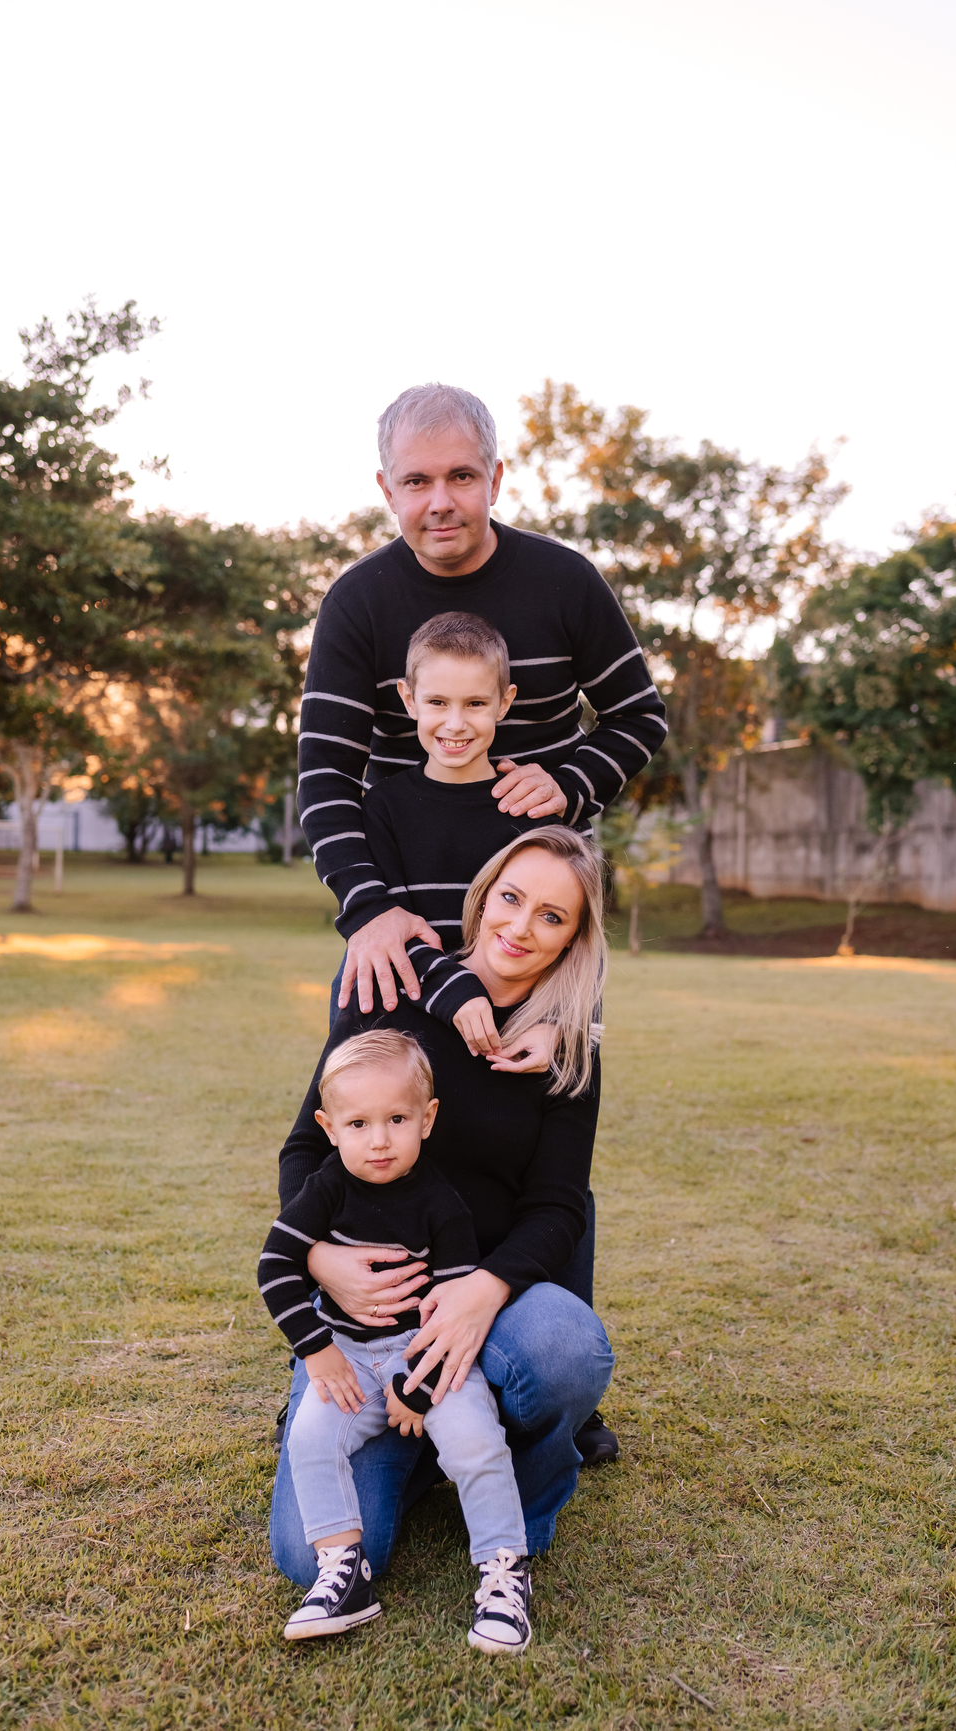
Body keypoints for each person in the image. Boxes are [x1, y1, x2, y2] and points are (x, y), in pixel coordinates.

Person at [269, 829, 613, 1593]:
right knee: (306, 1556)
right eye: (512, 898)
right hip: (370, 1322)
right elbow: (303, 1151)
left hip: (486, 1304)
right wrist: (323, 1258)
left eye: (552, 917)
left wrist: (483, 1288)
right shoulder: (388, 993)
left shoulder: (566, 1052)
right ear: (484, 894)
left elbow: (559, 1207)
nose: (520, 928)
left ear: (574, 938)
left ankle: (516, 1503)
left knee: (569, 1347)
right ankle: (424, 1443)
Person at [297, 381, 668, 1023]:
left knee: (541, 1097)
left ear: (495, 479)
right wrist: (368, 908)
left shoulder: (565, 582)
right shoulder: (357, 603)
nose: (440, 503)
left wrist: (569, 783)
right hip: (408, 914)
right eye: (416, 482)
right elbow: (326, 776)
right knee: (381, 1110)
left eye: (461, 476)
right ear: (387, 490)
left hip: (540, 915)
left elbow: (639, 716)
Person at [260, 1028, 535, 1654]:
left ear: (427, 1119)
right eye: (358, 1124)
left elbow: (453, 1309)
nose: (378, 1140)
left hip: (424, 1351)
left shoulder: (443, 1203)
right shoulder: (326, 1188)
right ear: (329, 1128)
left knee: (474, 1441)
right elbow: (275, 1268)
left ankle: (503, 1571)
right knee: (310, 1434)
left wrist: (422, 1385)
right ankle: (343, 1571)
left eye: (396, 1119)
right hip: (347, 1356)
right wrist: (318, 1351)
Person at [356, 607, 568, 1073]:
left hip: (510, 1028)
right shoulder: (384, 807)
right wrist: (456, 991)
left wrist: (558, 1021)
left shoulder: (528, 808)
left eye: (474, 704)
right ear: (408, 699)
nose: (455, 724)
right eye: (437, 703)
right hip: (406, 1018)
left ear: (504, 702)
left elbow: (571, 936)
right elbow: (392, 927)